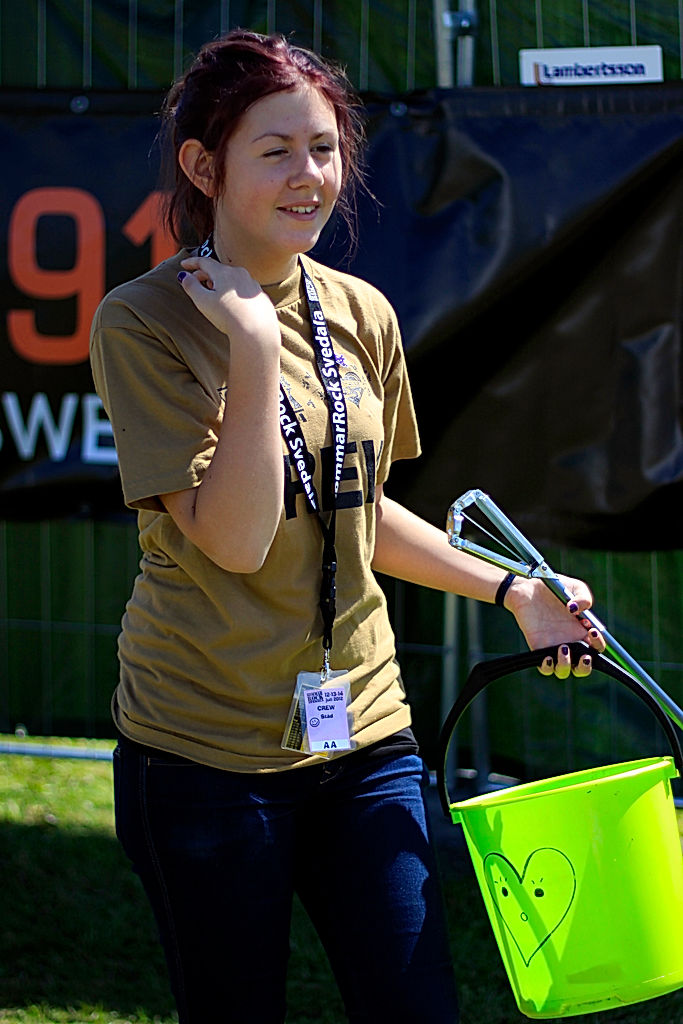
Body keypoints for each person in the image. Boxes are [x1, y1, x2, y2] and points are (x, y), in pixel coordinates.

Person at [90, 29, 604, 1024]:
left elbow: (354, 512)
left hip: (365, 737)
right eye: (274, 150)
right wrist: (248, 347)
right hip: (201, 754)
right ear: (205, 165)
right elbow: (234, 539)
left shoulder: (359, 311)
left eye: (323, 148)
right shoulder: (142, 320)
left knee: (418, 1009)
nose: (308, 176)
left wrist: (514, 593)